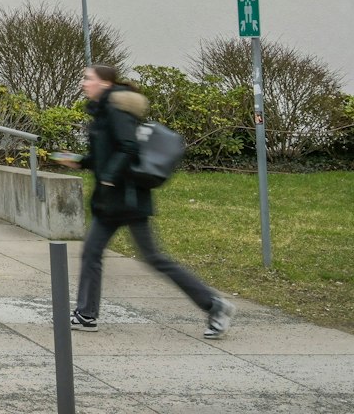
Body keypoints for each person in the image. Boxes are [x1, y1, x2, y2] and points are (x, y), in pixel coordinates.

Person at [63, 63, 234, 338]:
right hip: (110, 201)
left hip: (128, 199)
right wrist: (80, 161)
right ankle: (86, 314)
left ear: (105, 83)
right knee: (92, 253)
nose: (83, 83)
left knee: (154, 258)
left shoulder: (117, 110)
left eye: (88, 78)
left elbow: (128, 147)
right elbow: (106, 154)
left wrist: (109, 177)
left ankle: (216, 306)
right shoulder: (102, 112)